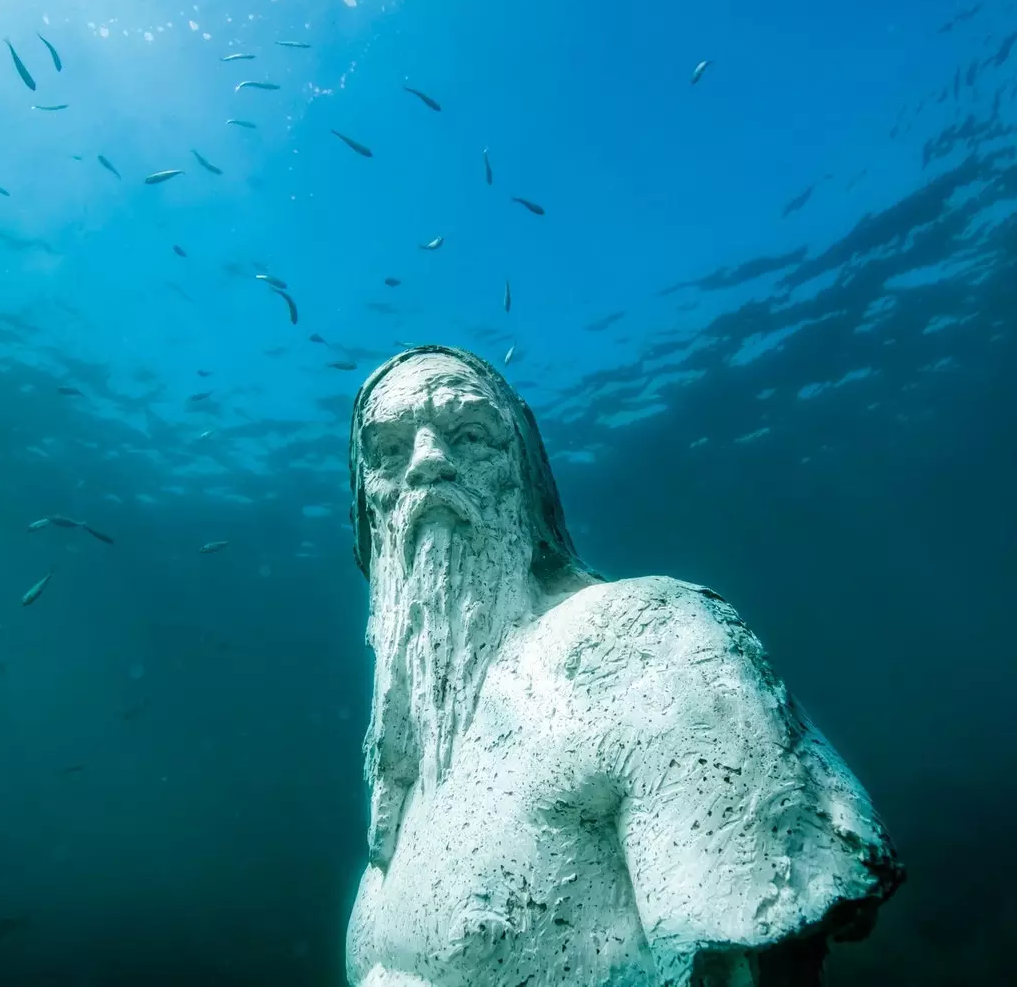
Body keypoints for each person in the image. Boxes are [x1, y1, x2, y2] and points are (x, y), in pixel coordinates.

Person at [344, 346, 903, 987]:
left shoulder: (642, 644)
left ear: (526, 482)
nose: (428, 464)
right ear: (369, 514)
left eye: (470, 434)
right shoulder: (399, 790)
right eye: (386, 452)